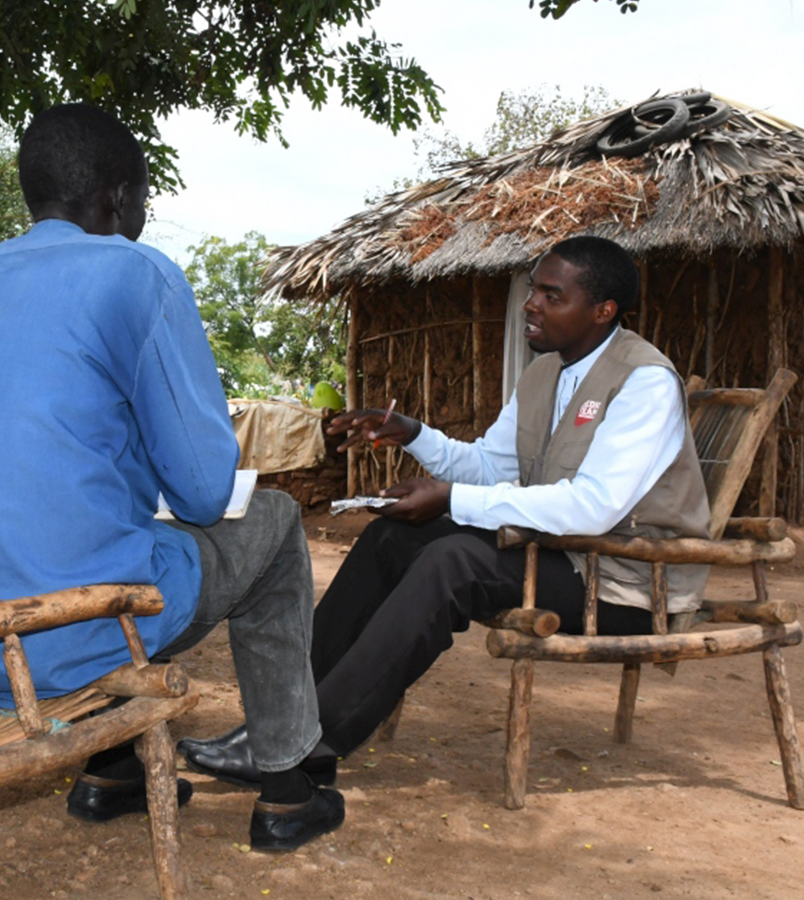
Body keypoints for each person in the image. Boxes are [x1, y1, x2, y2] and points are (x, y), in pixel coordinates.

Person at [0, 103, 343, 852]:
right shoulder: (136, 273)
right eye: (146, 201)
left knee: (92, 532)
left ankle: (112, 772)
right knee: (277, 524)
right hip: (69, 632)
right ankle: (287, 786)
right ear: (118, 197)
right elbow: (199, 488)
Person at [180, 235, 712, 783]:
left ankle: (308, 748)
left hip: (624, 584)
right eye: (534, 291)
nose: (531, 305)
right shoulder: (543, 375)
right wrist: (411, 433)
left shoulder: (644, 382)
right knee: (394, 539)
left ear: (603, 312)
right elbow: (488, 465)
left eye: (552, 297)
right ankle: (278, 723)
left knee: (454, 559)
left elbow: (594, 506)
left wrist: (452, 500)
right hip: (561, 557)